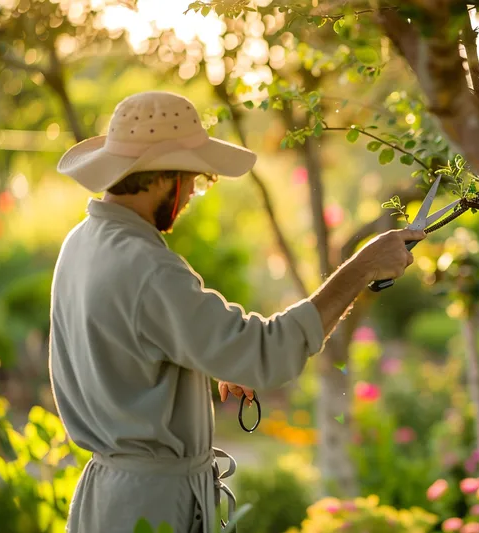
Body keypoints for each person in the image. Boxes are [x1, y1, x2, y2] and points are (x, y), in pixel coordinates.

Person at [50, 90, 424, 533]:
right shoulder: (149, 269)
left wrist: (215, 356)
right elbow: (267, 354)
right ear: (157, 177)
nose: (192, 192)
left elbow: (132, 351)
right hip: (151, 510)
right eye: (191, 178)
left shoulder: (82, 242)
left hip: (110, 502)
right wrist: (362, 267)